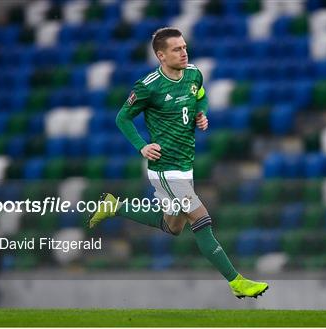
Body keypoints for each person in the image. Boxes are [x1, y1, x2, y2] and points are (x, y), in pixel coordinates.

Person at [89, 27, 268, 299]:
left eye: (184, 47)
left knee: (173, 226)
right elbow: (122, 118)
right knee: (201, 218)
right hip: (165, 168)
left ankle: (115, 206)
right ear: (161, 55)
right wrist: (142, 146)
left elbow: (201, 97)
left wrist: (202, 114)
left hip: (186, 164)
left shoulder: (194, 74)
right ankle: (236, 282)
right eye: (177, 49)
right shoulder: (148, 86)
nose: (184, 53)